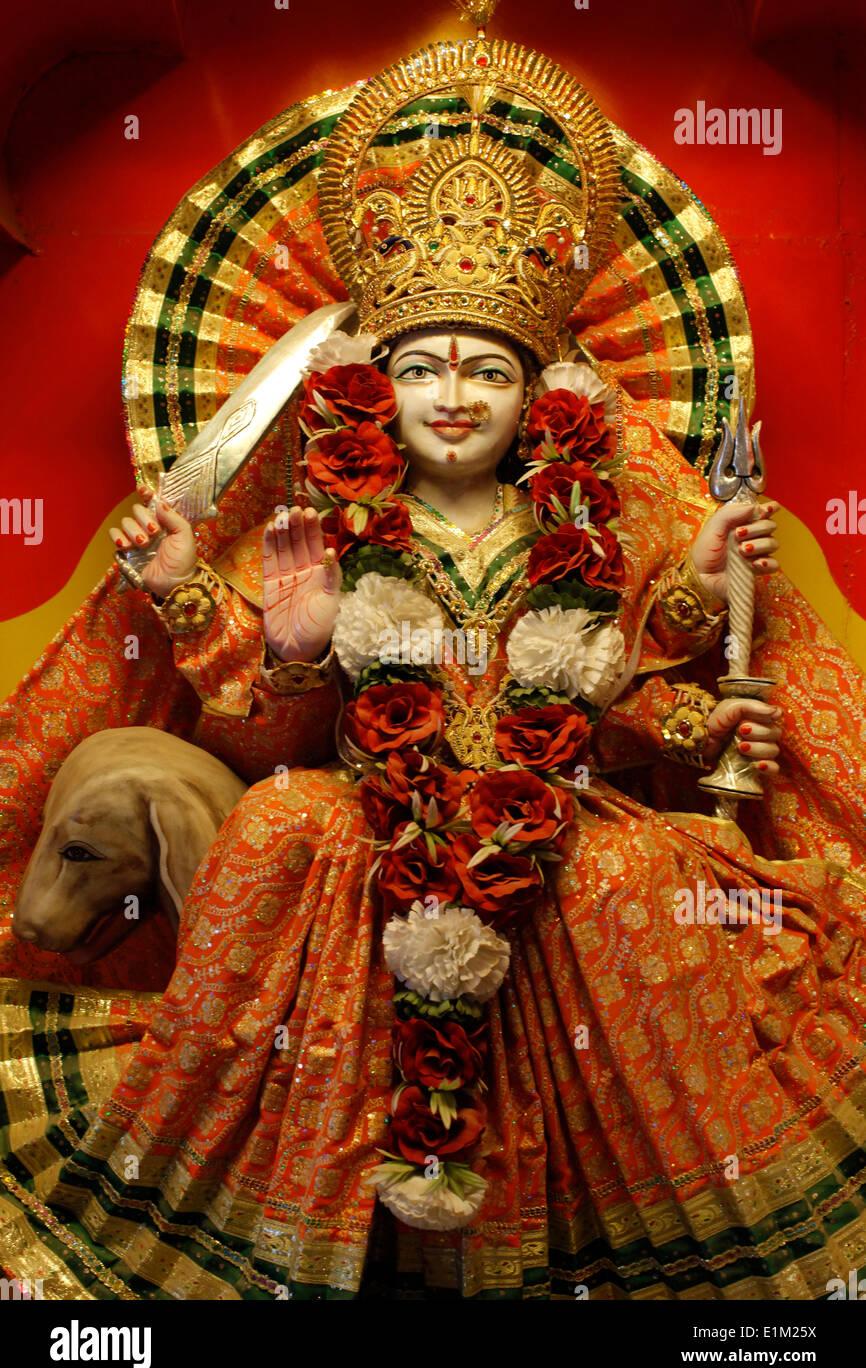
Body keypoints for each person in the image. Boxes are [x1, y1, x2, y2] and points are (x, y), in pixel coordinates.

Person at [2, 12, 866, 1301]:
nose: (452, 394)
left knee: (628, 875)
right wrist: (234, 624)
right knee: (279, 830)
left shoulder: (571, 521)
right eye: (418, 367)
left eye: (485, 371)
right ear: (372, 387)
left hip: (555, 824)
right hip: (372, 822)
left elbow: (616, 690)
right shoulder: (329, 526)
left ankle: (606, 1259)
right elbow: (257, 744)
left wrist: (692, 625)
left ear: (541, 397)